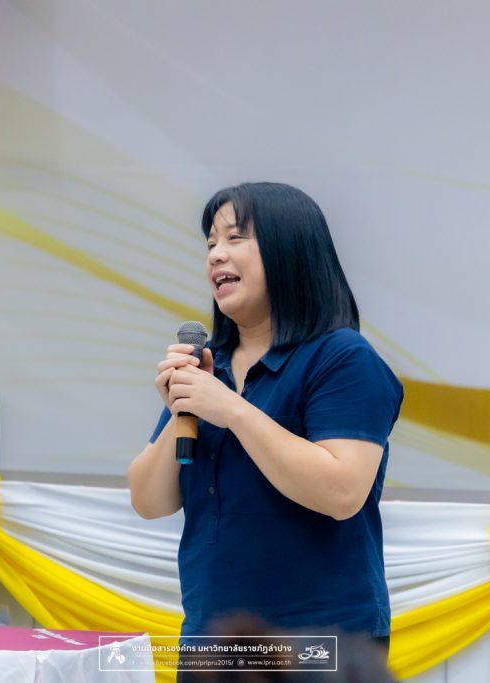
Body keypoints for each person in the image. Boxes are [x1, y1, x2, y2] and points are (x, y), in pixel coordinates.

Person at [127, 182, 403, 675]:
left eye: (235, 238)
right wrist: (181, 409)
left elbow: (341, 492)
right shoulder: (208, 365)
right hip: (215, 641)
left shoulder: (343, 357)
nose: (216, 255)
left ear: (290, 249)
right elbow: (149, 501)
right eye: (211, 243)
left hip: (323, 643)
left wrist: (232, 411)